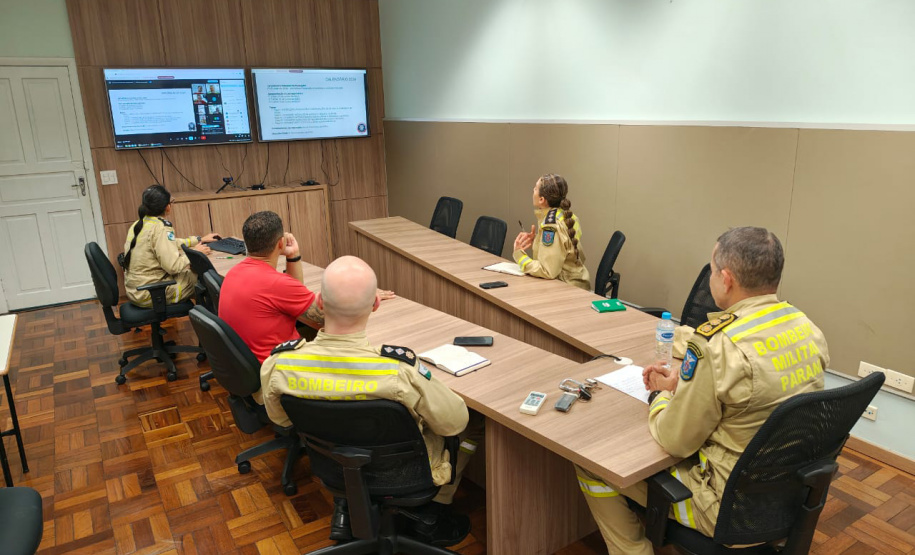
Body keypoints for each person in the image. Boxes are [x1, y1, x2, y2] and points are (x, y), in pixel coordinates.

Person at [575, 227, 830, 554]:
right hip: (788, 495)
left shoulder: (717, 346)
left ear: (726, 279)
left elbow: (674, 440)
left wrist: (660, 396)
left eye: (710, 270)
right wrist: (684, 385)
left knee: (593, 464)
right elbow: (753, 396)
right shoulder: (808, 330)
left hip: (724, 508)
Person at [260, 256, 480, 546]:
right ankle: (435, 506)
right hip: (407, 475)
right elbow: (455, 422)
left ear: (320, 303)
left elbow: (281, 420)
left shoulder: (279, 366)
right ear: (376, 305)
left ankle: (347, 505)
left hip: (332, 468)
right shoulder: (398, 371)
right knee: (473, 424)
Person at [220, 211, 395, 365]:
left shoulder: (234, 273)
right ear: (281, 243)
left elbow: (293, 296)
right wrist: (361, 296)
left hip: (250, 366)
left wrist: (293, 257)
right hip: (278, 369)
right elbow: (328, 317)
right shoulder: (276, 284)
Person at [122, 184, 218, 307]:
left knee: (192, 272)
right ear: (168, 207)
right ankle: (209, 319)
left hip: (136, 291)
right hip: (152, 294)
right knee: (203, 276)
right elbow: (173, 266)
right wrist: (196, 253)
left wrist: (198, 239)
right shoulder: (160, 228)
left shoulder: (139, 224)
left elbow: (169, 243)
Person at [512, 173, 590, 290]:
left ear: (542, 199)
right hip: (577, 282)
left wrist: (519, 254)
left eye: (535, 188)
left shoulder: (551, 226)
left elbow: (547, 271)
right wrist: (538, 240)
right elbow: (565, 248)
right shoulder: (567, 215)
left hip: (567, 289)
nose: (533, 190)